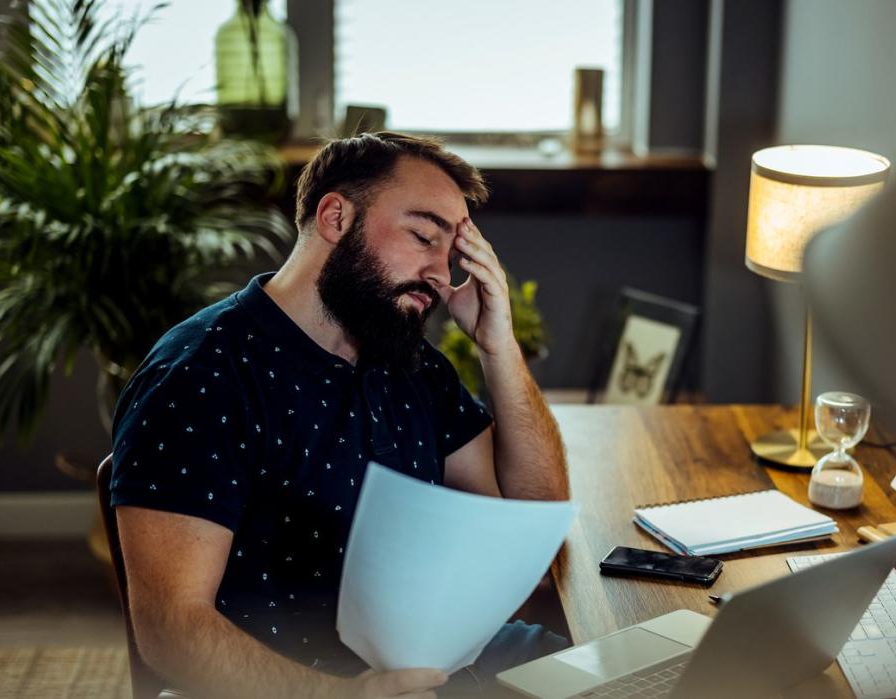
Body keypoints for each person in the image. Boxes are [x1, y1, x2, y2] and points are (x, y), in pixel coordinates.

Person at [109, 132, 571, 698]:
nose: (441, 273)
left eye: (451, 253)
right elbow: (170, 629)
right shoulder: (200, 376)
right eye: (423, 236)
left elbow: (532, 525)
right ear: (335, 217)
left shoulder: (410, 362)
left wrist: (497, 346)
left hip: (444, 660)